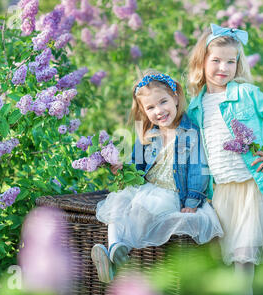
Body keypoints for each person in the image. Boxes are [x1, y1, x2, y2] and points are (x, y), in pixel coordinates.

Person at [186, 24, 263, 295]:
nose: (223, 67)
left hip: (251, 185)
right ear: (202, 61)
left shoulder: (246, 94)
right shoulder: (195, 106)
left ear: (238, 64)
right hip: (221, 191)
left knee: (244, 256)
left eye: (230, 61)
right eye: (216, 60)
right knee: (229, 252)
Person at [91, 69, 223, 283]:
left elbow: (199, 170)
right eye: (150, 107)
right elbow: (137, 166)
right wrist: (122, 169)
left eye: (163, 102)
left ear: (176, 97)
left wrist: (192, 201)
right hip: (146, 188)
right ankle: (114, 249)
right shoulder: (148, 133)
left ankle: (121, 264)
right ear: (143, 111)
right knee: (117, 205)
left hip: (171, 193)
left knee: (144, 213)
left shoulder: (191, 132)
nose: (159, 111)